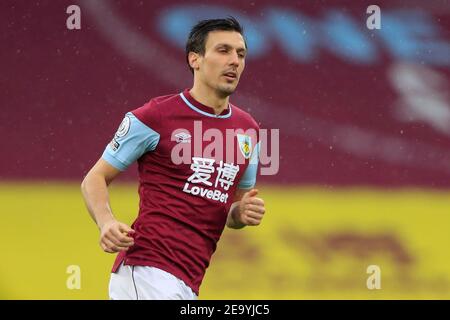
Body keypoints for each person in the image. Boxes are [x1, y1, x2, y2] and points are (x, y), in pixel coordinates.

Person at [81, 16, 266, 300]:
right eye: (223, 50)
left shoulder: (248, 130)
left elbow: (234, 208)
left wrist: (240, 214)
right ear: (195, 59)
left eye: (240, 54)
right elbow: (95, 178)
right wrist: (106, 222)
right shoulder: (155, 116)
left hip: (189, 280)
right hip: (147, 269)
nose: (234, 61)